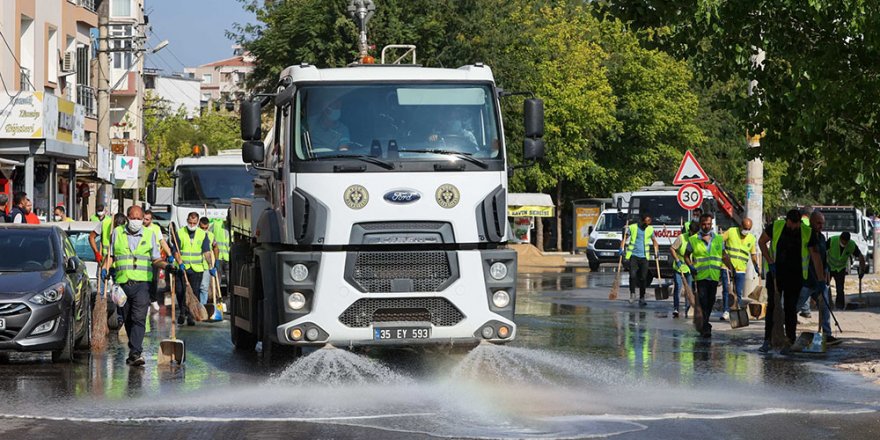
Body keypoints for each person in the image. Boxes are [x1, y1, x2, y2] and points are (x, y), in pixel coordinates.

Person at [101, 205, 177, 367]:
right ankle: (133, 349)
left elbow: (155, 259)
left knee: (138, 317)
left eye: (138, 218)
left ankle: (136, 352)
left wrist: (167, 266)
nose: (135, 221)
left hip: (143, 284)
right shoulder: (117, 233)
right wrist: (105, 269)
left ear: (143, 219)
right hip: (122, 284)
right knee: (127, 318)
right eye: (132, 217)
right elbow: (111, 256)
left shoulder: (150, 234)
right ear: (127, 217)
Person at [758, 209, 814, 352]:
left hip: (796, 276)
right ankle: (767, 340)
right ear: (787, 220)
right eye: (791, 224)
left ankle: (790, 340)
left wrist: (819, 276)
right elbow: (761, 241)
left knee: (790, 308)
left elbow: (815, 254)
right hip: (776, 274)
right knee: (772, 306)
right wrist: (770, 261)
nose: (794, 227)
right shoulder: (776, 226)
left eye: (797, 224)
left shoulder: (806, 231)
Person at [684, 213, 734, 338]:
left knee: (710, 301)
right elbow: (686, 255)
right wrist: (690, 266)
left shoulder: (718, 239)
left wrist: (731, 267)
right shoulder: (693, 239)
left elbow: (723, 255)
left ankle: (705, 324)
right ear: (700, 224)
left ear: (711, 224)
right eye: (704, 224)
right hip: (700, 276)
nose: (706, 226)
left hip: (714, 276)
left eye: (708, 224)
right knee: (703, 300)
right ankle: (705, 326)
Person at [793, 211, 838, 344]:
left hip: (820, 281)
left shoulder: (823, 238)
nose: (821, 226)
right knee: (795, 307)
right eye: (818, 223)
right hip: (807, 280)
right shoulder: (806, 236)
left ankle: (827, 333)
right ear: (812, 222)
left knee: (825, 307)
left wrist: (825, 275)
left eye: (822, 223)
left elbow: (823, 259)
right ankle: (786, 331)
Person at [171, 212, 213, 325]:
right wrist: (179, 262)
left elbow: (206, 251)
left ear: (197, 222)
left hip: (196, 269)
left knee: (194, 292)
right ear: (187, 220)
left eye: (194, 223)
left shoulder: (202, 234)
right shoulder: (180, 233)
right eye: (190, 222)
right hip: (182, 268)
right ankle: (182, 311)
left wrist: (211, 266)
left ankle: (190, 315)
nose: (192, 224)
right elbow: (175, 251)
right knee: (180, 291)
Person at [720, 218, 761, 320]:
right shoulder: (731, 231)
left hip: (741, 268)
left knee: (738, 291)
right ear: (740, 226)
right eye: (745, 228)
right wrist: (722, 252)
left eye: (748, 229)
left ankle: (735, 309)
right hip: (727, 267)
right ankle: (726, 310)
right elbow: (718, 241)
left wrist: (756, 265)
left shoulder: (751, 238)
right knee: (727, 290)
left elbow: (753, 254)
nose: (746, 231)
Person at [620, 213, 659, 306]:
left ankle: (642, 297)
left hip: (644, 257)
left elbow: (654, 241)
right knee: (633, 276)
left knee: (643, 278)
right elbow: (625, 238)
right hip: (633, 256)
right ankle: (632, 294)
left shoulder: (650, 229)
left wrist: (656, 250)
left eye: (649, 222)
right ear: (642, 221)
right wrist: (621, 248)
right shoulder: (633, 227)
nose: (647, 225)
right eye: (646, 222)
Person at [827, 231, 867, 310]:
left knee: (840, 288)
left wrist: (862, 270)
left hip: (840, 268)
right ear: (840, 239)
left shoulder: (851, 245)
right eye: (843, 242)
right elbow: (821, 251)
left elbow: (860, 256)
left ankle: (840, 307)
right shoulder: (832, 240)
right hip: (829, 266)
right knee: (826, 287)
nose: (844, 244)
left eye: (846, 242)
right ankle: (828, 304)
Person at [144, 210, 173, 312]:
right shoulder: (140, 228)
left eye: (147, 219)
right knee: (145, 281)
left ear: (151, 220)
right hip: (144, 258)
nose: (144, 221)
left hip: (155, 258)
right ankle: (146, 301)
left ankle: (153, 299)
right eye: (144, 218)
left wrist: (169, 254)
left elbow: (162, 242)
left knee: (154, 280)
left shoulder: (156, 229)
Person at [670, 222, 699, 318]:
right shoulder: (681, 237)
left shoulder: (697, 239)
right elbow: (672, 249)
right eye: (692, 232)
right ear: (689, 230)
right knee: (678, 286)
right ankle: (676, 308)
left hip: (690, 267)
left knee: (689, 288)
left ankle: (688, 308)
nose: (693, 234)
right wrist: (677, 260)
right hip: (679, 266)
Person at [198, 216, 219, 304]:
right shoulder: (195, 234)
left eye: (206, 228)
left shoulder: (211, 235)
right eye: (202, 228)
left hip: (206, 265)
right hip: (195, 265)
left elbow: (215, 247)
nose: (204, 230)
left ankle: (203, 306)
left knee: (204, 287)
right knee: (196, 287)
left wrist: (216, 260)